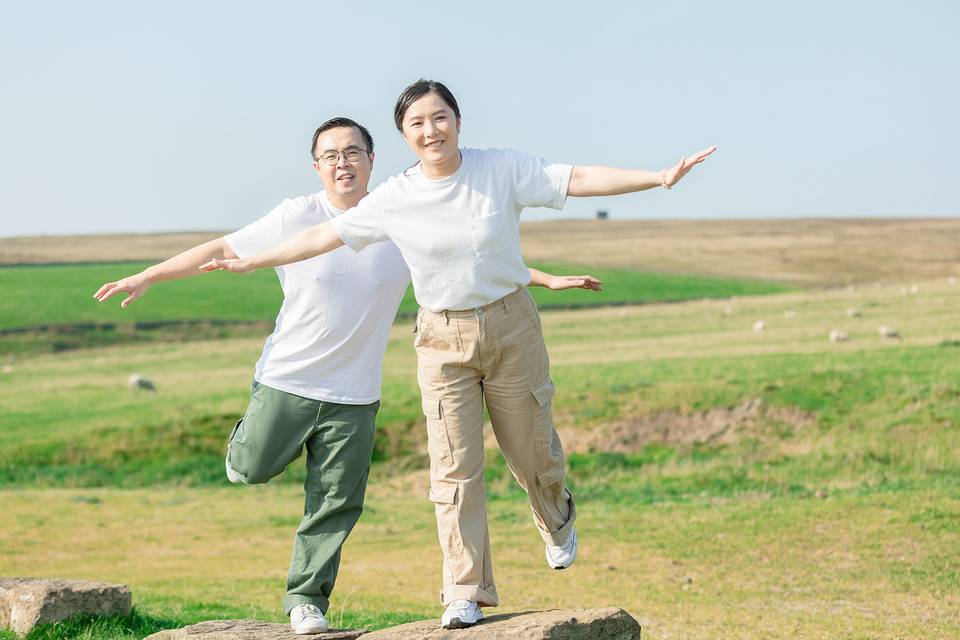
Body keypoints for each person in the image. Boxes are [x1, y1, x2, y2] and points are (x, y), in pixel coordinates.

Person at [199, 79, 715, 630]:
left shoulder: (500, 170)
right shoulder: (396, 198)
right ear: (403, 136)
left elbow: (578, 178)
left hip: (511, 327)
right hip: (441, 340)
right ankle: (464, 589)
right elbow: (324, 237)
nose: (430, 130)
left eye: (439, 117)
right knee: (453, 470)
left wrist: (656, 178)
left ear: (458, 121)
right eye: (417, 123)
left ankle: (555, 514)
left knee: (532, 453)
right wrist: (251, 262)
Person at [93, 116, 599, 635]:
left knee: (336, 502)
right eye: (331, 155)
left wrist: (543, 278)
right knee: (251, 467)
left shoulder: (396, 215)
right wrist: (149, 274)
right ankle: (243, 445)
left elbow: (468, 258)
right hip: (287, 380)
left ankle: (305, 600)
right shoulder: (297, 216)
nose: (343, 163)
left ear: (372, 160)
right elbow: (222, 249)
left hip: (355, 395)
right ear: (317, 167)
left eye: (353, 152)